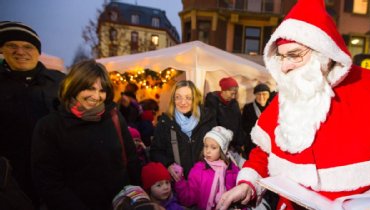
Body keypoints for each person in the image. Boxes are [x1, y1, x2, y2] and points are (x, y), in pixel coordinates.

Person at [217, 0, 370, 209]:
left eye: (295, 54)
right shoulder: (285, 98)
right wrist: (248, 183)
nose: (285, 67)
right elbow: (264, 152)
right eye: (281, 56)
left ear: (323, 51)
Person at [31, 60, 141, 210]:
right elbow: (48, 182)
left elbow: (131, 160)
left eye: (102, 90)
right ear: (74, 87)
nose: (96, 96)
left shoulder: (114, 117)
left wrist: (136, 199)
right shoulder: (49, 126)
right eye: (89, 88)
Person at [0, 21, 65, 207]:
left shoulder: (60, 82)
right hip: (11, 178)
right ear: (2, 49)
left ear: (38, 51)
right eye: (12, 45)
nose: (20, 52)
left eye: (28, 46)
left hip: (56, 172)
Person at [149, 80, 216, 179]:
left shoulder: (207, 119)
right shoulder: (166, 122)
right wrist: (168, 165)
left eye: (188, 98)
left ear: (195, 98)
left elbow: (219, 148)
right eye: (178, 97)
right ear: (173, 99)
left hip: (205, 179)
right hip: (180, 182)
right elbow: (155, 152)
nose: (183, 102)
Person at [174, 126, 240, 210]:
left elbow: (239, 197)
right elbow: (188, 199)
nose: (208, 151)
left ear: (223, 150)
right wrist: (180, 181)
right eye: (206, 146)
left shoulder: (233, 170)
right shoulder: (199, 169)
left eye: (213, 147)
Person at [205, 77, 245, 156]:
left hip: (233, 146)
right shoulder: (212, 101)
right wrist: (220, 143)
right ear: (224, 90)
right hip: (219, 144)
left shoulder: (234, 103)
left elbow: (239, 124)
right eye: (231, 93)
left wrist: (240, 143)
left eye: (235, 94)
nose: (233, 97)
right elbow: (212, 124)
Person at [241, 83, 271, 158]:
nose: (261, 97)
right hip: (252, 144)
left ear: (268, 95)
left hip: (268, 143)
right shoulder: (248, 108)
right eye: (258, 94)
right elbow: (244, 127)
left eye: (264, 94)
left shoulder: (272, 108)